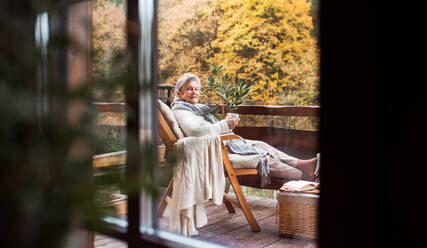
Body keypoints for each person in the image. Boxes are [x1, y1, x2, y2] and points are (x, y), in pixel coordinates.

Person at [171, 73, 320, 189]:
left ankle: (302, 165)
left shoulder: (196, 109)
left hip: (222, 145)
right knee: (265, 159)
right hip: (213, 152)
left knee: (261, 146)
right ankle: (306, 178)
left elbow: (203, 128)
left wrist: (227, 125)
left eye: (197, 89)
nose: (194, 92)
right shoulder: (182, 111)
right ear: (179, 93)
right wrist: (224, 125)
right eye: (189, 89)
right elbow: (196, 132)